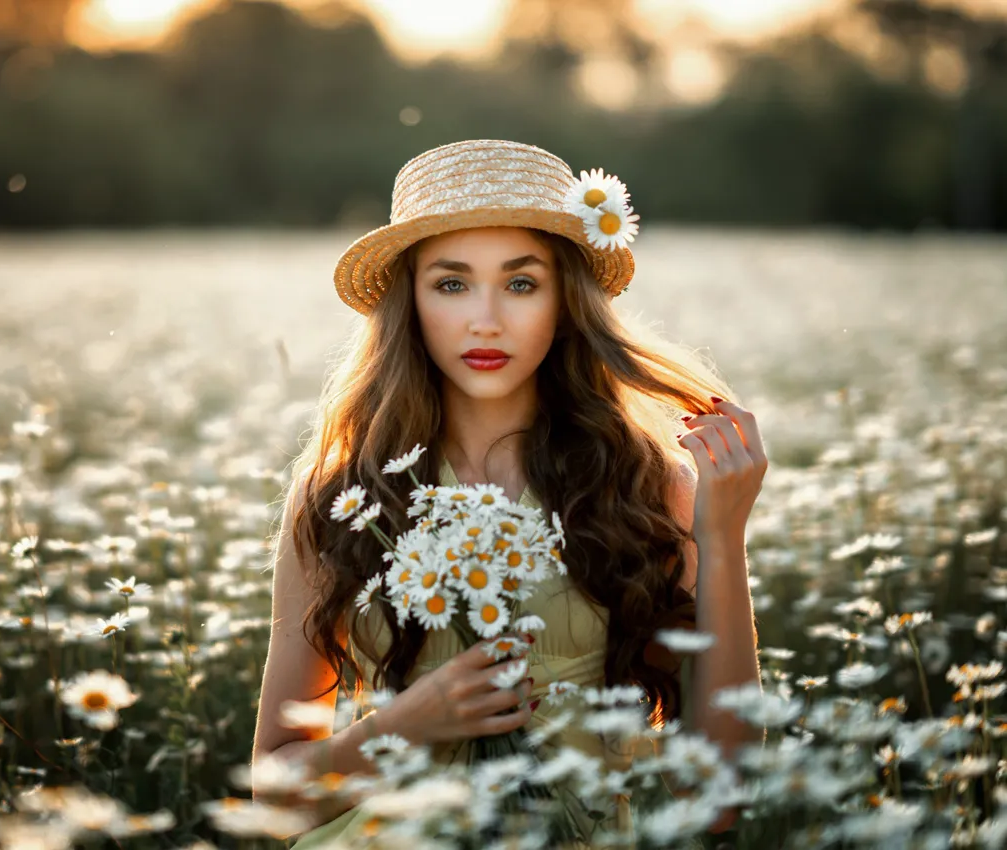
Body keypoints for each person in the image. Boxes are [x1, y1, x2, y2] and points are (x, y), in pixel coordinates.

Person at [252, 139, 766, 848]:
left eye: (521, 283)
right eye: (452, 283)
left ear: (564, 301)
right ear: (411, 301)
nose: (485, 319)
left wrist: (723, 539)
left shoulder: (645, 488)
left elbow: (717, 798)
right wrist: (407, 724)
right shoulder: (342, 497)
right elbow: (276, 798)